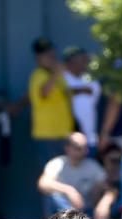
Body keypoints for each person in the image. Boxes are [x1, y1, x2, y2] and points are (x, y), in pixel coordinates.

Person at [28, 37, 75, 165]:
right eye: (46, 55)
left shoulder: (59, 77)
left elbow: (68, 95)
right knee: (52, 173)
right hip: (48, 135)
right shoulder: (38, 75)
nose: (51, 57)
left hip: (64, 133)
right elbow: (44, 93)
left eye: (52, 54)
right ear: (38, 58)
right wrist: (56, 73)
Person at [37, 132, 106, 216]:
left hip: (87, 211)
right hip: (61, 213)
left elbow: (108, 186)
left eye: (85, 148)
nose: (83, 151)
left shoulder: (93, 166)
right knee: (53, 197)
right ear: (67, 148)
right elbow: (43, 183)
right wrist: (69, 191)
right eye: (78, 148)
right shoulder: (57, 163)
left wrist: (104, 202)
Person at [62, 47, 102, 153]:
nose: (84, 62)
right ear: (70, 61)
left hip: (90, 137)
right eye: (81, 59)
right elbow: (62, 93)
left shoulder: (90, 79)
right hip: (68, 138)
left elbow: (93, 93)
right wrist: (80, 90)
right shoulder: (62, 78)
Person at [92, 143, 122, 219]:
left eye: (119, 161)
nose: (116, 165)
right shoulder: (99, 181)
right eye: (113, 161)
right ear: (104, 160)